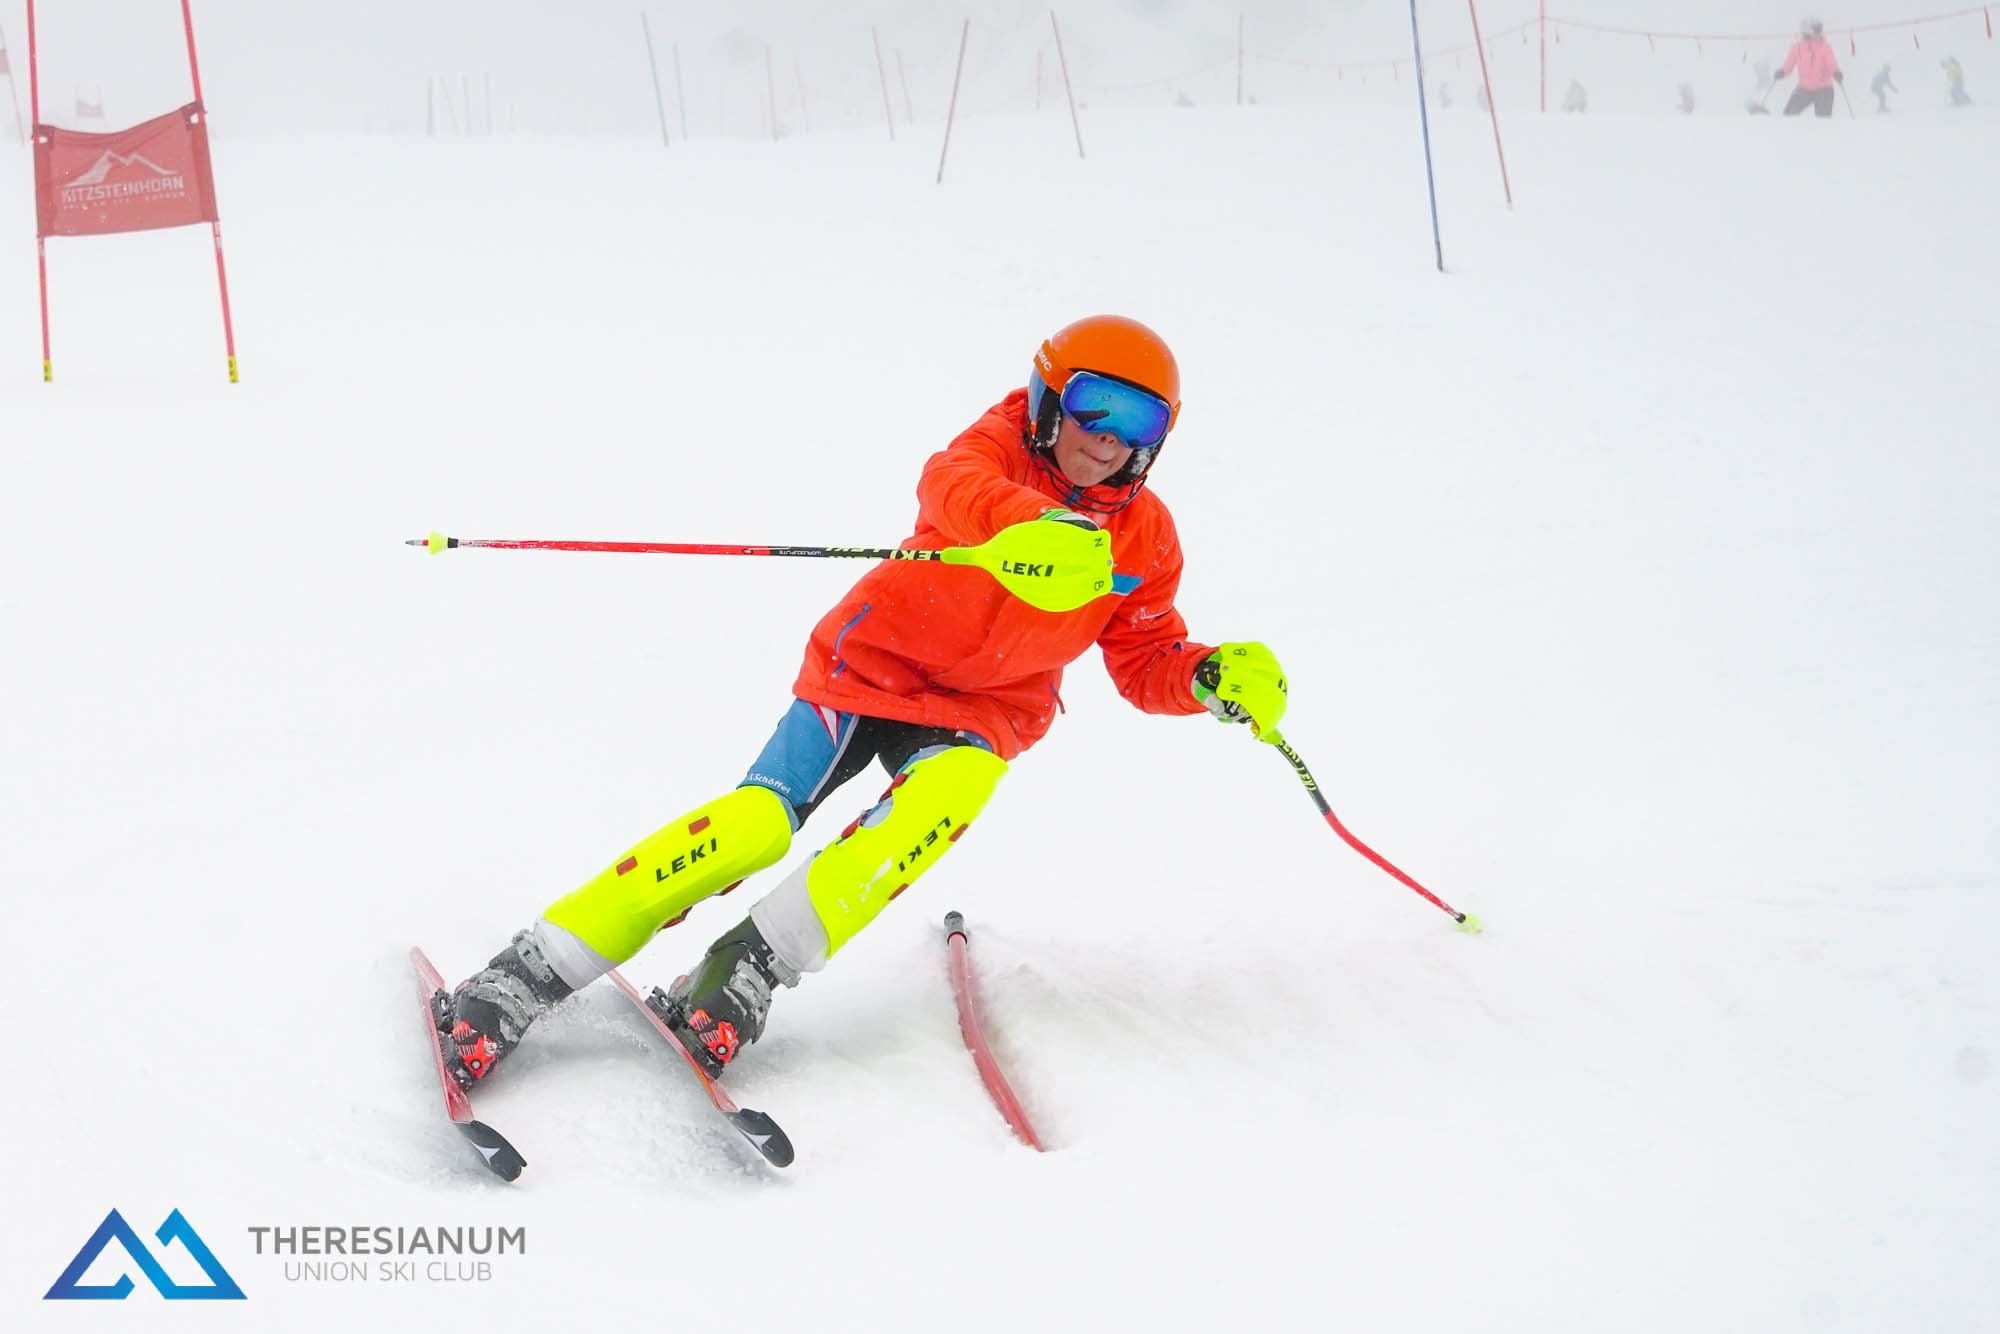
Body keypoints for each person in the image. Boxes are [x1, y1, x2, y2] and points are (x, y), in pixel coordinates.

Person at [429, 316, 1291, 1087]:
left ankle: (747, 965)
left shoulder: (1146, 535)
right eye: (1094, 406)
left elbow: (1145, 657)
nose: (1108, 438)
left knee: (947, 798)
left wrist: (1205, 677)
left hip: (982, 710)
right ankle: (531, 967)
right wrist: (1029, 528)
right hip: (871, 669)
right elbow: (950, 485)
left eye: (1139, 422)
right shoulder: (995, 452)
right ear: (1047, 399)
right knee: (755, 826)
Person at [1775, 17, 1843, 118]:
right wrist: (1782, 71)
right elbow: (1789, 64)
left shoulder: (1824, 46)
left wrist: (1836, 72)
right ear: (1807, 31)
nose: (1819, 33)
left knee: (1823, 120)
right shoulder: (1797, 47)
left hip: (1824, 89)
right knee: (1789, 114)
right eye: (1817, 29)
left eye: (1820, 29)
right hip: (1804, 89)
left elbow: (1831, 62)